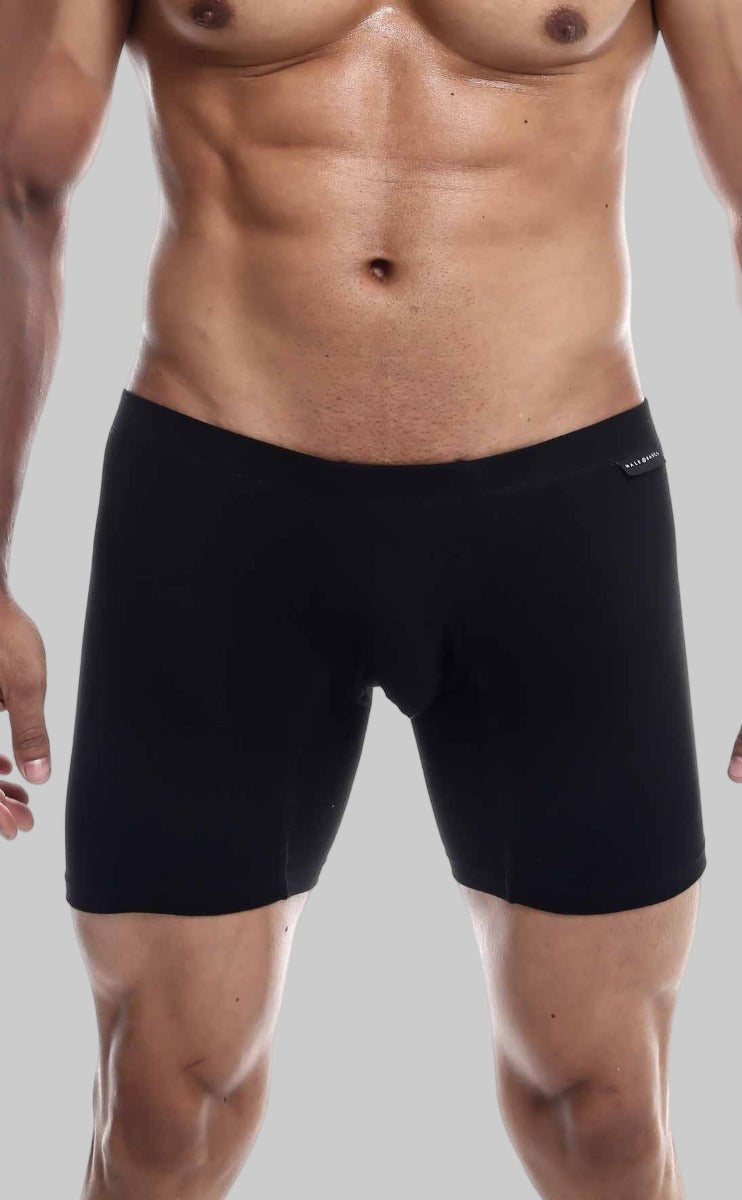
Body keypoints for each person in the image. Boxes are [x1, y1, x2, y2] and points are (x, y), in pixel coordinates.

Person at [0, 2, 738, 1197]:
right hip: (219, 501)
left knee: (602, 1111)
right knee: (164, 1110)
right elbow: (17, 186)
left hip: (555, 509)